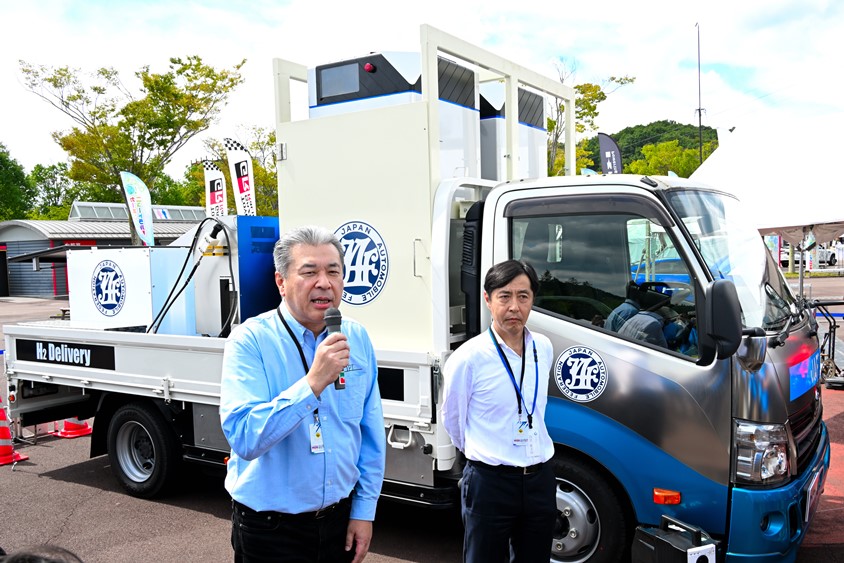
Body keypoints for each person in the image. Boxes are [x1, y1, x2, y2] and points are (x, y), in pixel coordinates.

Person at [220, 225, 386, 563]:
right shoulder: (250, 340)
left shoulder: (356, 337)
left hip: (338, 522)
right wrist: (313, 384)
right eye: (309, 272)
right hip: (270, 530)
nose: (324, 282)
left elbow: (370, 434)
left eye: (333, 272)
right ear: (281, 282)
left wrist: (364, 511)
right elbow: (245, 437)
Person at [441, 260, 557, 563]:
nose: (514, 306)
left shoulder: (542, 348)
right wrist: (484, 454)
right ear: (488, 299)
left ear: (533, 299)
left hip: (539, 480)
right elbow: (453, 420)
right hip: (490, 483)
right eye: (505, 296)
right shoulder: (469, 358)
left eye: (523, 296)